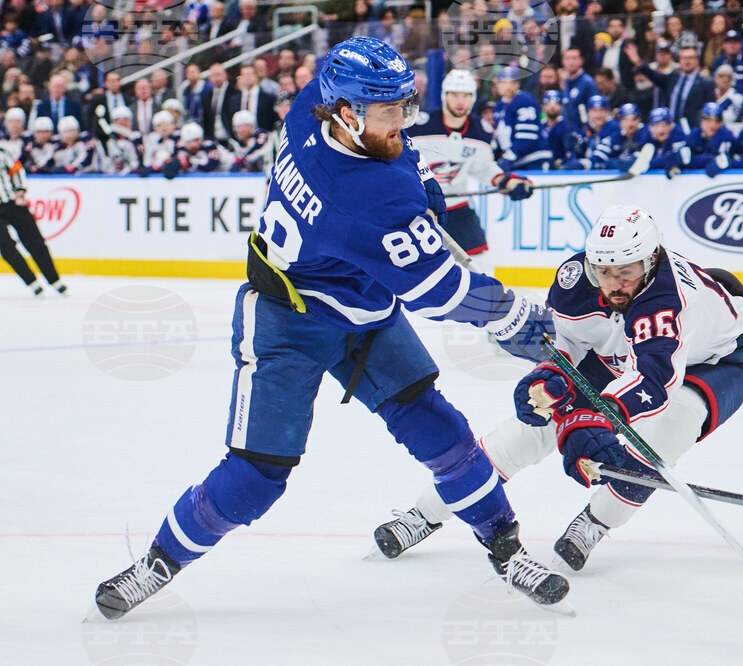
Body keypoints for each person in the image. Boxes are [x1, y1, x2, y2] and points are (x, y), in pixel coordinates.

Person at [92, 37, 569, 621]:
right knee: (254, 479)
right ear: (348, 114)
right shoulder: (367, 199)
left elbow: (392, 176)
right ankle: (157, 564)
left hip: (362, 312)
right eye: (390, 112)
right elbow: (442, 291)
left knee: (443, 433)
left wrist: (419, 191)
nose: (404, 122)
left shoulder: (310, 106)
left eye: (403, 105)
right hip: (288, 325)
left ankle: (506, 546)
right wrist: (513, 315)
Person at [372, 204, 743, 571]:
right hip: (616, 356)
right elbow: (568, 344)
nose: (614, 284)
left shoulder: (669, 304)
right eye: (603, 271)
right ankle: (425, 513)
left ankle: (596, 522)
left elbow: (653, 381)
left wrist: (596, 419)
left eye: (625, 272)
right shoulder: (576, 280)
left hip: (709, 364)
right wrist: (551, 377)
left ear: (651, 260)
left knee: (664, 434)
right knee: (530, 430)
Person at [407, 69, 533, 268]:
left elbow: (483, 168)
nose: (460, 101)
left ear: (473, 98)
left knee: (480, 267)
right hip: (418, 209)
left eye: (466, 95)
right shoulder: (418, 126)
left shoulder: (481, 131)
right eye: (454, 95)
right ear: (444, 95)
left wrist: (508, 181)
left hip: (457, 210)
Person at [0, 145, 67, 296]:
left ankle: (54, 279)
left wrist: (21, 191)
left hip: (12, 202)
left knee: (35, 241)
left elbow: (17, 170)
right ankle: (31, 281)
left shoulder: (2, 152)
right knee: (6, 247)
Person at [492, 66, 553, 171]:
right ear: (497, 84)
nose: (508, 86)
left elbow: (527, 136)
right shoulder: (499, 105)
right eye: (504, 82)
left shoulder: (524, 100)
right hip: (517, 161)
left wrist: (509, 158)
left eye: (512, 82)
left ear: (517, 84)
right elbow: (500, 136)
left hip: (533, 159)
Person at [662, 102, 736, 178]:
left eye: (718, 120)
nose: (713, 124)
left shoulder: (727, 136)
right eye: (708, 119)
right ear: (701, 121)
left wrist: (692, 160)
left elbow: (724, 160)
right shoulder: (694, 134)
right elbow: (681, 157)